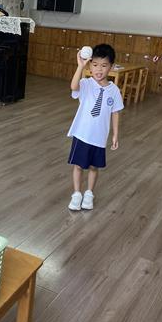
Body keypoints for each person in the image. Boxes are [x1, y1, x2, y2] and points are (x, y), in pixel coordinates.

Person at [67, 43, 124, 211]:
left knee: (93, 167)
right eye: (95, 65)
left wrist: (115, 134)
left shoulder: (114, 91)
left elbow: (115, 112)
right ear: (90, 66)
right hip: (82, 134)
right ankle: (77, 194)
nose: (99, 69)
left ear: (111, 67)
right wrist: (80, 66)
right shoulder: (86, 84)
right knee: (78, 166)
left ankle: (89, 194)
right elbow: (73, 87)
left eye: (104, 65)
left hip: (99, 137)